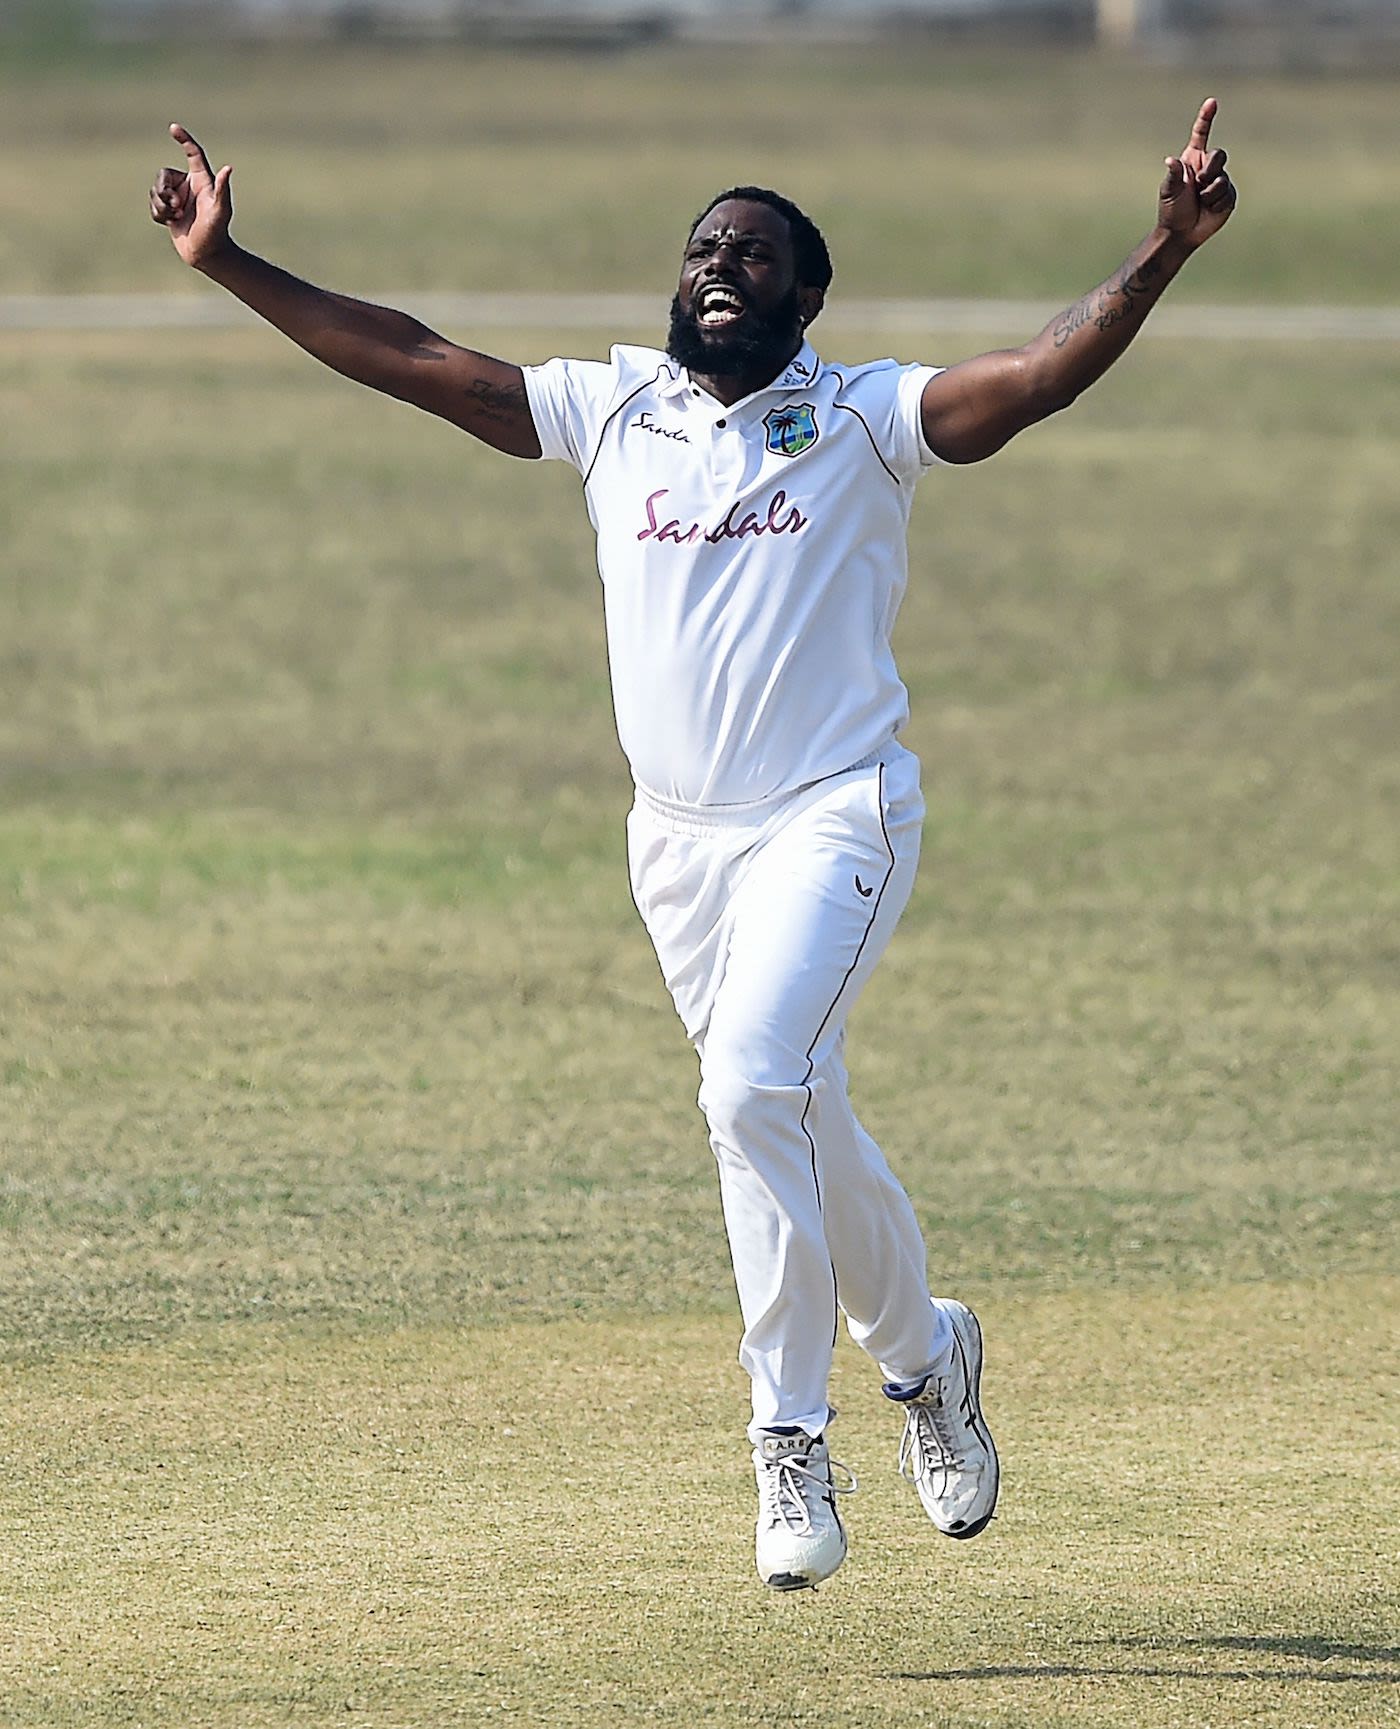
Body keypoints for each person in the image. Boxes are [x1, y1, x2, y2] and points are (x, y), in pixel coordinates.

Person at [149, 103, 1236, 1591]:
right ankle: (927, 1356)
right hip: (677, 848)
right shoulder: (615, 412)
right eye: (702, 244)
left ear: (805, 298)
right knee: (787, 1114)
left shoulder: (862, 415)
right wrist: (230, 264)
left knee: (747, 1087)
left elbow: (1035, 377)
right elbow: (412, 356)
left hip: (834, 816)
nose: (719, 262)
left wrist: (1160, 254)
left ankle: (788, 1436)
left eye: (755, 251)